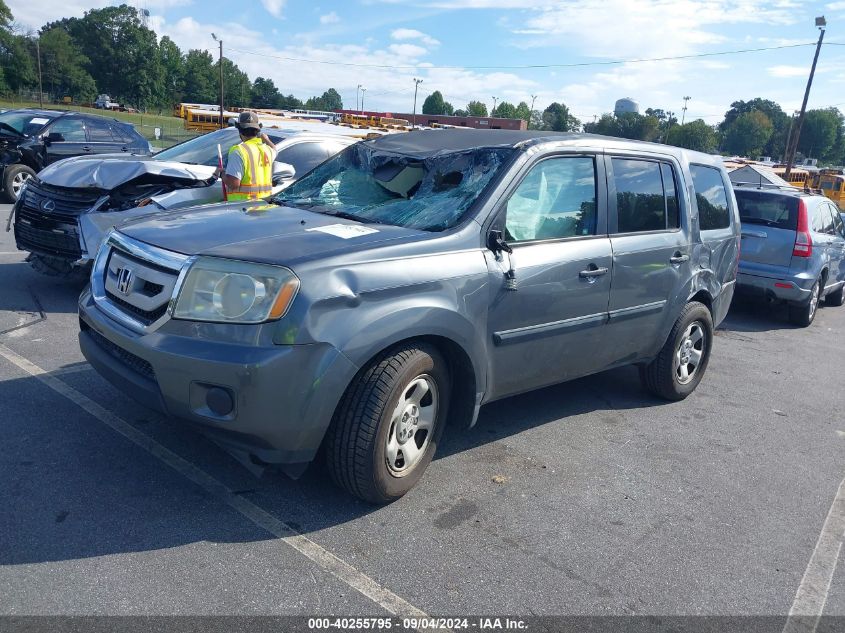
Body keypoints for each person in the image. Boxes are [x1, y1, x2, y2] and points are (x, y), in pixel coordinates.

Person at [220, 111, 277, 201]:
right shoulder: (268, 150)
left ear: (239, 130)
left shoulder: (239, 151)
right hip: (264, 207)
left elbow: (233, 185)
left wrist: (221, 174)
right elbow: (274, 149)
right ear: (257, 130)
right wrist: (266, 139)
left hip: (243, 208)